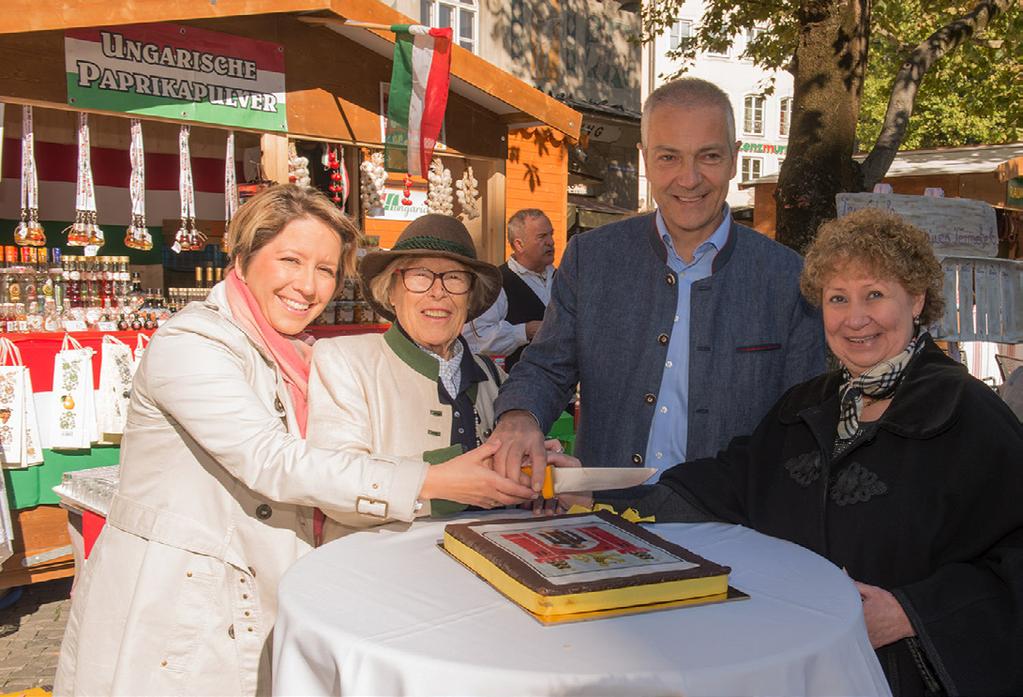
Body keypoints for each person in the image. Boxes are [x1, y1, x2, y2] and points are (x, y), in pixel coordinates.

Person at [54, 187, 529, 696]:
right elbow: (271, 459)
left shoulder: (298, 354)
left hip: (261, 600)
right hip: (180, 607)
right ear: (242, 258)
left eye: (325, 270)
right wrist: (432, 479)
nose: (308, 285)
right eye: (290, 260)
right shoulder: (193, 343)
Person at [559, 208, 1023, 696]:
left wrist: (912, 612)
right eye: (838, 298)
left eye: (875, 295)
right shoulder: (808, 406)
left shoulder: (965, 413)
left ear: (917, 300)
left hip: (900, 678)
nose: (855, 318)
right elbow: (723, 485)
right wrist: (589, 496)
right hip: (795, 672)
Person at [493, 77, 825, 491]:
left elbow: (807, 418)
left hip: (735, 527)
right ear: (645, 158)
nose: (689, 179)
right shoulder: (591, 258)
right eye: (669, 157)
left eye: (709, 156)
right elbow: (547, 366)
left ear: (735, 158)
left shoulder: (787, 277)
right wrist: (519, 415)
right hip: (609, 521)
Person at [309, 214, 538, 522]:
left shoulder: (496, 379)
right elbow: (334, 487)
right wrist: (442, 482)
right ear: (391, 291)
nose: (438, 292)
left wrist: (540, 480)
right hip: (378, 566)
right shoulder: (345, 360)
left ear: (470, 297)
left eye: (454, 277)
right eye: (419, 275)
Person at [463, 209, 556, 371]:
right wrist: (524, 331)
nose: (551, 242)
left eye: (551, 234)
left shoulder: (562, 278)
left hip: (563, 389)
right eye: (542, 237)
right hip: (515, 386)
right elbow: (475, 339)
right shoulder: (497, 283)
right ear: (519, 245)